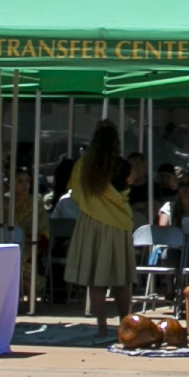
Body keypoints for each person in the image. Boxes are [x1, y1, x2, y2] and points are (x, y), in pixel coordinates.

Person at [65, 122, 134, 321]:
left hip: (91, 224)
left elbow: (75, 195)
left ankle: (102, 326)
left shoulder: (81, 165)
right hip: (118, 226)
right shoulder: (123, 165)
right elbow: (126, 191)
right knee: (121, 279)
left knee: (96, 280)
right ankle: (125, 323)